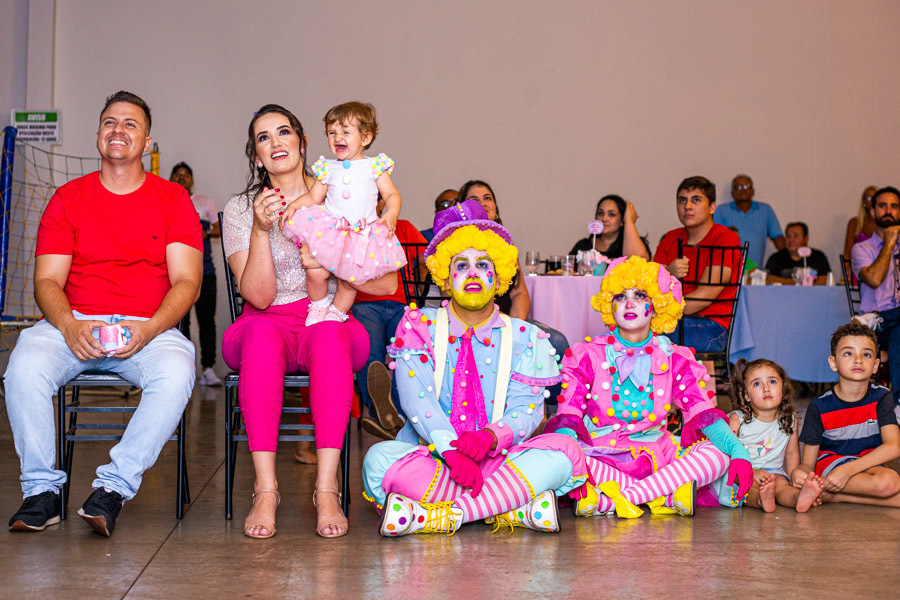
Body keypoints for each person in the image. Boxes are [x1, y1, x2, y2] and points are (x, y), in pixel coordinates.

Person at [6, 91, 203, 536]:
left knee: (177, 369)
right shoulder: (68, 198)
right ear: (98, 135)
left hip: (147, 327)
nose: (119, 130)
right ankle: (41, 493)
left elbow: (187, 282)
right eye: (110, 122)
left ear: (147, 142)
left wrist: (151, 328)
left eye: (130, 124)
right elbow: (46, 282)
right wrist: (70, 325)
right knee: (24, 365)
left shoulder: (172, 200)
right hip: (73, 322)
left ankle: (111, 490)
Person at [363, 199, 591, 536]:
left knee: (567, 452)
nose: (472, 274)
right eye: (461, 265)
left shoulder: (527, 337)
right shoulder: (417, 326)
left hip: (502, 459)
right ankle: (513, 506)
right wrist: (451, 452)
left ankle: (439, 515)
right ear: (445, 274)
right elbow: (417, 402)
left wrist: (488, 438)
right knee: (377, 460)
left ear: (499, 276)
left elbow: (527, 411)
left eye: (483, 265)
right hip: (434, 458)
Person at [221, 104, 395, 539]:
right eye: (264, 137)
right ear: (256, 155)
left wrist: (334, 261)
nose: (276, 142)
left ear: (303, 144)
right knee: (261, 338)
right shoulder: (241, 208)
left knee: (333, 338)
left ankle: (327, 488)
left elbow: (387, 282)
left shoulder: (342, 193)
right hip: (266, 319)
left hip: (327, 315)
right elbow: (258, 297)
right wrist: (261, 230)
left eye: (284, 132)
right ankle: (265, 489)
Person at [544, 256, 753, 518]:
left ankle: (616, 501)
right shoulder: (587, 355)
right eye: (620, 296)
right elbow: (568, 418)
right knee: (559, 452)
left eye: (640, 295)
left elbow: (703, 415)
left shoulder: (675, 358)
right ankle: (662, 497)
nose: (629, 303)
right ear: (610, 305)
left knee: (717, 454)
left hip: (657, 460)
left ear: (656, 307)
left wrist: (739, 452)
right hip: (598, 460)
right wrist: (569, 458)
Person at [280, 101, 405, 325]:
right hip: (332, 229)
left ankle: (337, 312)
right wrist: (294, 206)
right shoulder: (327, 167)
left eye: (345, 132)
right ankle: (318, 306)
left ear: (365, 138)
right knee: (316, 272)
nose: (338, 137)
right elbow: (313, 198)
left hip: (362, 233)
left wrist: (392, 213)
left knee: (348, 281)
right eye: (332, 132)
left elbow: (392, 195)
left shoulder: (375, 166)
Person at [792, 323, 900, 507]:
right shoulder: (819, 406)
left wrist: (847, 471)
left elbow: (893, 446)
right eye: (848, 353)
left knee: (889, 483)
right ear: (833, 362)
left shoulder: (882, 397)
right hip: (830, 464)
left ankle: (829, 494)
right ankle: (823, 486)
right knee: (888, 484)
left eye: (866, 354)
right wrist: (799, 473)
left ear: (875, 365)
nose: (858, 360)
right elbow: (808, 463)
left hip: (864, 464)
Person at [354, 194, 429, 440]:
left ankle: (398, 416)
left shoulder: (403, 226)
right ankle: (381, 412)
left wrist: (420, 283)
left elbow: (424, 259)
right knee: (369, 352)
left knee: (407, 354)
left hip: (402, 304)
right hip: (364, 303)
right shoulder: (352, 229)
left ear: (381, 203)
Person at [653, 176, 742, 353]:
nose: (687, 206)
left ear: (712, 207)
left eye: (696, 200)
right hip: (672, 319)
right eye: (682, 200)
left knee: (645, 334)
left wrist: (658, 312)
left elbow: (706, 295)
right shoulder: (670, 238)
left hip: (712, 325)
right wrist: (668, 272)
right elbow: (650, 288)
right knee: (629, 327)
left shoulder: (726, 239)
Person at [728, 358, 825, 512]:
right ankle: (761, 499)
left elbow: (792, 452)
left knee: (781, 485)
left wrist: (793, 476)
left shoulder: (789, 418)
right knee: (746, 486)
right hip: (742, 472)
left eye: (772, 382)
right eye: (757, 384)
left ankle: (798, 498)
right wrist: (751, 472)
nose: (766, 388)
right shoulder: (737, 420)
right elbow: (726, 456)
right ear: (746, 395)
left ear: (783, 388)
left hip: (774, 473)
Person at [170, 161, 222, 386]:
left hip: (205, 271)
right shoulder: (167, 201)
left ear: (192, 180)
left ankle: (208, 369)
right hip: (175, 273)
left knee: (206, 321)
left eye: (185, 175)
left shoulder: (205, 202)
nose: (181, 178)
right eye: (177, 175)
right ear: (171, 178)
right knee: (181, 323)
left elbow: (220, 228)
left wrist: (205, 231)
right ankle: (185, 368)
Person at [851, 186, 900, 405]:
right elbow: (874, 279)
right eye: (882, 206)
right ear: (872, 212)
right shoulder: (861, 248)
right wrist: (889, 243)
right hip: (875, 330)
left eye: (894, 206)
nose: (888, 211)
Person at [713, 174, 784, 267]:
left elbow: (778, 238)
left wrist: (788, 260)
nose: (743, 190)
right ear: (732, 192)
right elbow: (713, 239)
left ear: (752, 191)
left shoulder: (765, 210)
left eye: (746, 186)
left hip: (756, 273)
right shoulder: (721, 210)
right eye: (738, 187)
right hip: (727, 272)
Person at [568, 194, 650, 260]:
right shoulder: (583, 245)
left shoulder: (632, 244)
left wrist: (629, 222)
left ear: (622, 220)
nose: (604, 219)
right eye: (600, 213)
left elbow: (638, 263)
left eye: (611, 214)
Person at [764, 222, 831, 285]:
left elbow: (825, 280)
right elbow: (768, 279)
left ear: (806, 239)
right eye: (788, 236)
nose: (791, 240)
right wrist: (801, 282)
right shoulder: (776, 258)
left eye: (795, 236)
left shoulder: (818, 257)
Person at [844, 185, 879, 261]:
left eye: (874, 197)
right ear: (863, 201)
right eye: (868, 198)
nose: (872, 201)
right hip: (859, 269)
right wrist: (846, 271)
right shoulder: (854, 223)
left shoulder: (886, 224)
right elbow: (847, 251)